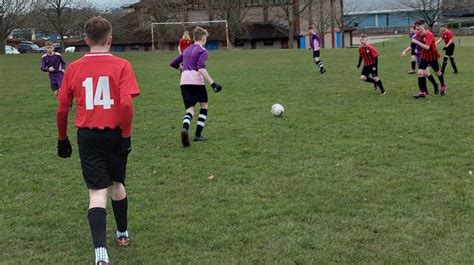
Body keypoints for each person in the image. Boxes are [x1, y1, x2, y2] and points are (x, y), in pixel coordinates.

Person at [56, 16, 140, 265]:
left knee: (96, 192)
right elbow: (126, 103)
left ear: (86, 40)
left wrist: (62, 137)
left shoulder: (73, 68)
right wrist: (126, 134)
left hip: (88, 135)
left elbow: (62, 108)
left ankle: (100, 253)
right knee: (117, 183)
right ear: (110, 39)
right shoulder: (122, 65)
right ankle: (122, 233)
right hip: (114, 133)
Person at [170, 26, 222, 147]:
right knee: (204, 105)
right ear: (203, 38)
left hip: (184, 82)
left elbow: (173, 63)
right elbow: (201, 69)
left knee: (190, 110)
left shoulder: (187, 50)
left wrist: (182, 68)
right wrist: (213, 84)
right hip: (196, 82)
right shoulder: (203, 51)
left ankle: (185, 129)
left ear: (193, 38)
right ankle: (198, 135)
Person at [411, 20, 447, 98]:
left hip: (432, 57)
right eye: (416, 26)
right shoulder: (418, 33)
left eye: (418, 26)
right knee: (420, 72)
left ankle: (443, 86)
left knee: (438, 72)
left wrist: (416, 42)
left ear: (423, 26)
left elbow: (427, 47)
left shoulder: (429, 34)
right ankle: (423, 92)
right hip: (424, 56)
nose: (417, 28)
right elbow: (413, 37)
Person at [401, 25, 439, 93]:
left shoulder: (424, 35)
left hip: (426, 56)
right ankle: (425, 90)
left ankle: (434, 85)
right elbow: (411, 46)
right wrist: (405, 51)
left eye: (417, 29)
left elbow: (429, 45)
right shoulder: (414, 37)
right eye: (415, 30)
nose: (416, 31)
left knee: (426, 73)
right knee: (422, 73)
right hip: (419, 57)